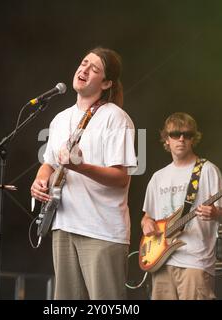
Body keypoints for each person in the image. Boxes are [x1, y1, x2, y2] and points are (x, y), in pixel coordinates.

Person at [31, 47, 137, 299]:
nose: (84, 70)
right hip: (64, 224)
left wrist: (81, 168)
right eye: (83, 63)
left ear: (107, 82)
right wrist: (39, 178)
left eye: (95, 69)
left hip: (101, 230)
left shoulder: (115, 118)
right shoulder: (59, 119)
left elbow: (121, 177)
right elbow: (49, 163)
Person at [140, 112, 222, 300]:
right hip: (161, 261)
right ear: (166, 139)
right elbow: (146, 217)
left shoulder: (207, 170)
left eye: (187, 134)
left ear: (193, 139)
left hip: (195, 262)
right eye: (175, 134)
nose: (181, 139)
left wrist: (215, 213)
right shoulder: (158, 177)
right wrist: (146, 224)